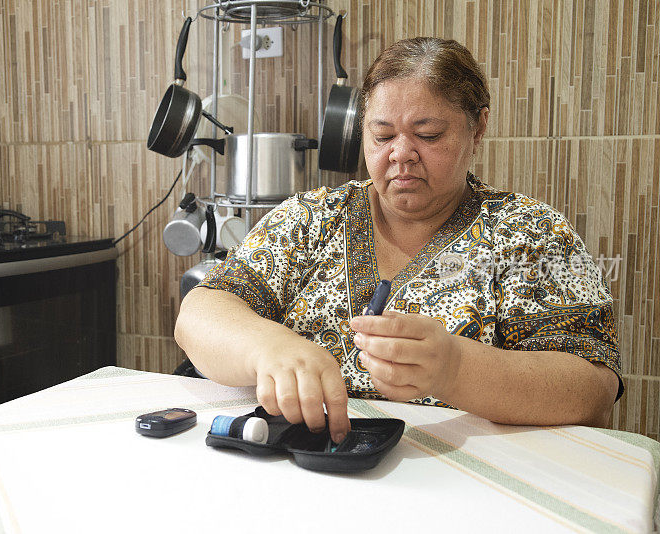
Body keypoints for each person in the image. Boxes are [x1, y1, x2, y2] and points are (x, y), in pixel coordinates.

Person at [174, 37, 622, 444]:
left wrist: (456, 369)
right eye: (382, 134)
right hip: (308, 471)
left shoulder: (528, 234)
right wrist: (268, 346)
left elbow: (593, 385)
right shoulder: (310, 221)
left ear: (478, 127)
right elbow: (201, 312)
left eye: (428, 135)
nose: (401, 153)